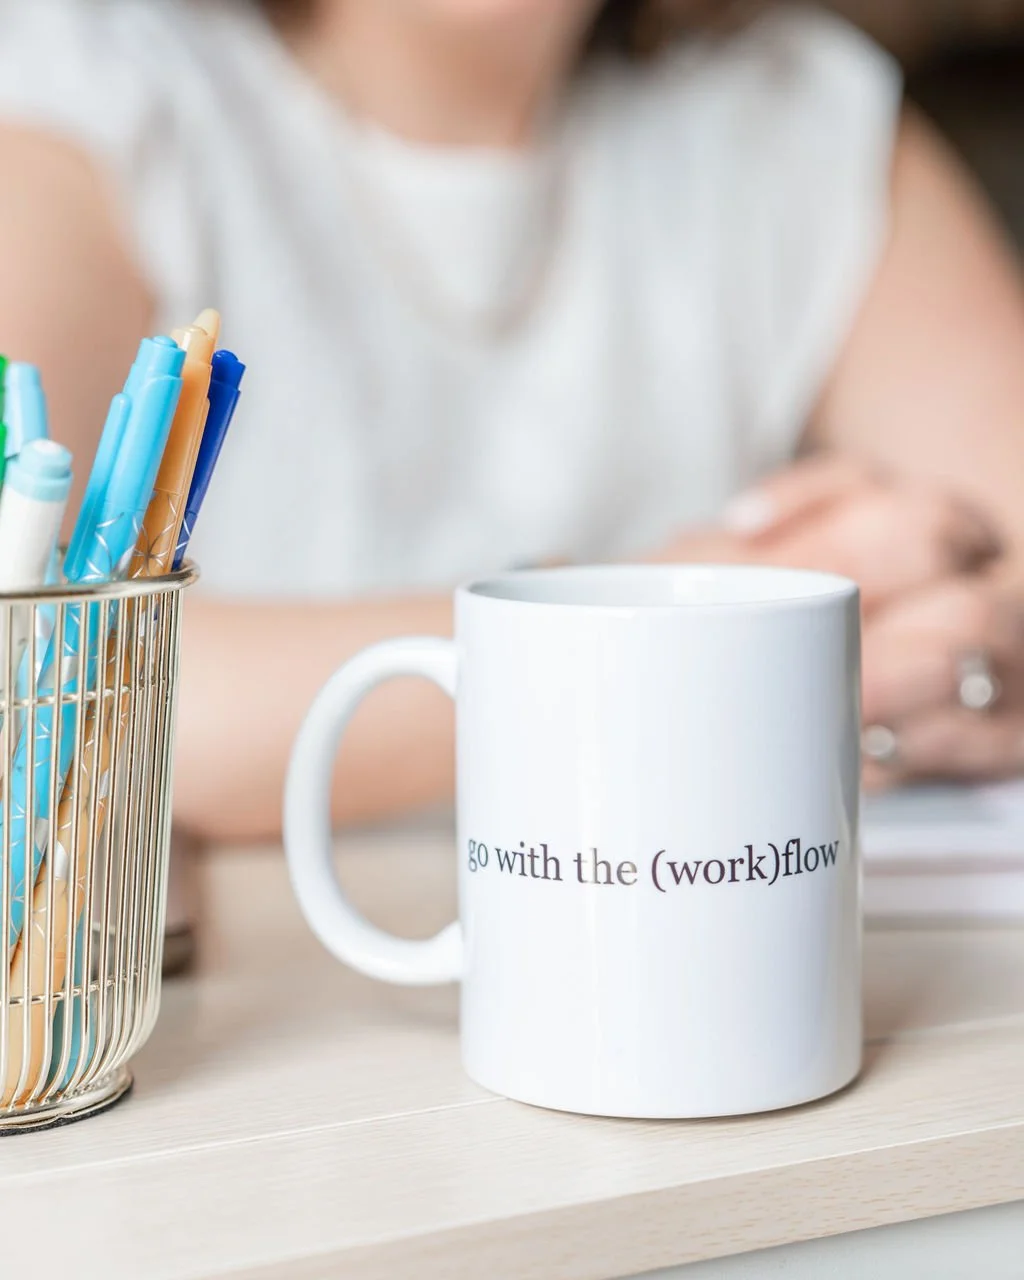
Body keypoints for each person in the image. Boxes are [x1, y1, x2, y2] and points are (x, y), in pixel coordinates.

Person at [0, 0, 1022, 842]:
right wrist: (654, 638)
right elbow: (37, 681)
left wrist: (944, 652)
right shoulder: (80, 93)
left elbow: (996, 560)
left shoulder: (796, 115)